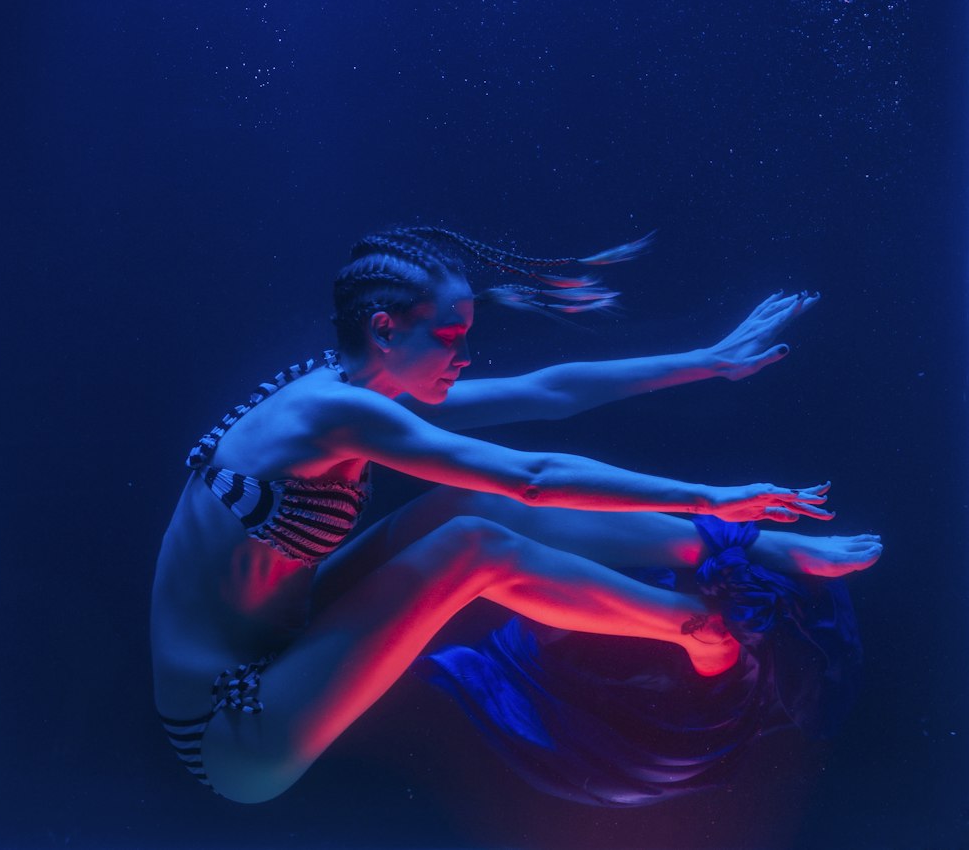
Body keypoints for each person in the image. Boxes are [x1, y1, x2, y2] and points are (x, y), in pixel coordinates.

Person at [151, 227, 879, 806]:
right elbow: (534, 478)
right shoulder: (331, 412)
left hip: (293, 634)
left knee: (466, 506)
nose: (465, 357)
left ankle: (756, 549)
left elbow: (545, 392)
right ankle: (696, 628)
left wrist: (710, 359)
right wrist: (710, 492)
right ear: (384, 328)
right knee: (472, 544)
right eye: (448, 336)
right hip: (231, 729)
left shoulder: (349, 387)